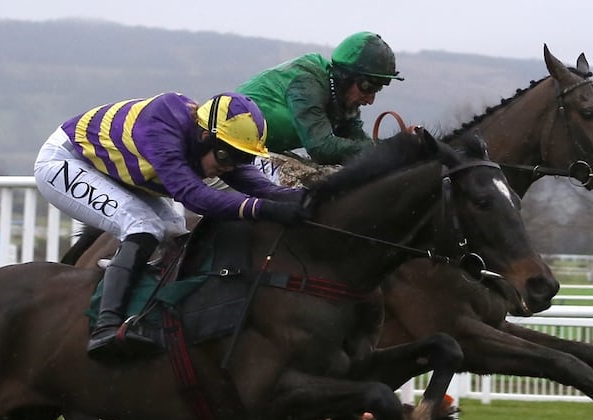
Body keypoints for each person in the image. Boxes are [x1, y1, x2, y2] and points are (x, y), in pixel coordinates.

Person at [34, 92, 307, 361]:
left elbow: (259, 186)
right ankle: (105, 326)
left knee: (174, 229)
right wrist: (259, 208)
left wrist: (307, 199)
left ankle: (143, 309)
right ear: (204, 137)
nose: (230, 167)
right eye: (226, 156)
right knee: (143, 226)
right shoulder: (162, 127)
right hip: (66, 160)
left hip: (108, 168)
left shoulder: (215, 141)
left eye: (241, 158)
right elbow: (193, 194)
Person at [237, 31, 404, 166]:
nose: (370, 100)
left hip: (256, 152)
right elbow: (321, 148)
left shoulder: (342, 97)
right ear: (345, 77)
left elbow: (356, 140)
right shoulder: (308, 81)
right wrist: (380, 148)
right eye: (368, 87)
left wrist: (392, 150)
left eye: (378, 89)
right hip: (224, 153)